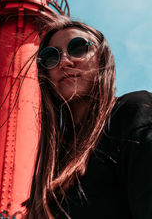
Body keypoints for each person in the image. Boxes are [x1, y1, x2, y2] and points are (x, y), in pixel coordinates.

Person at [24, 15, 152, 219]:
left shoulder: (133, 112)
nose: (64, 61)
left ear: (101, 57)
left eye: (78, 47)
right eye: (50, 56)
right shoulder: (54, 161)